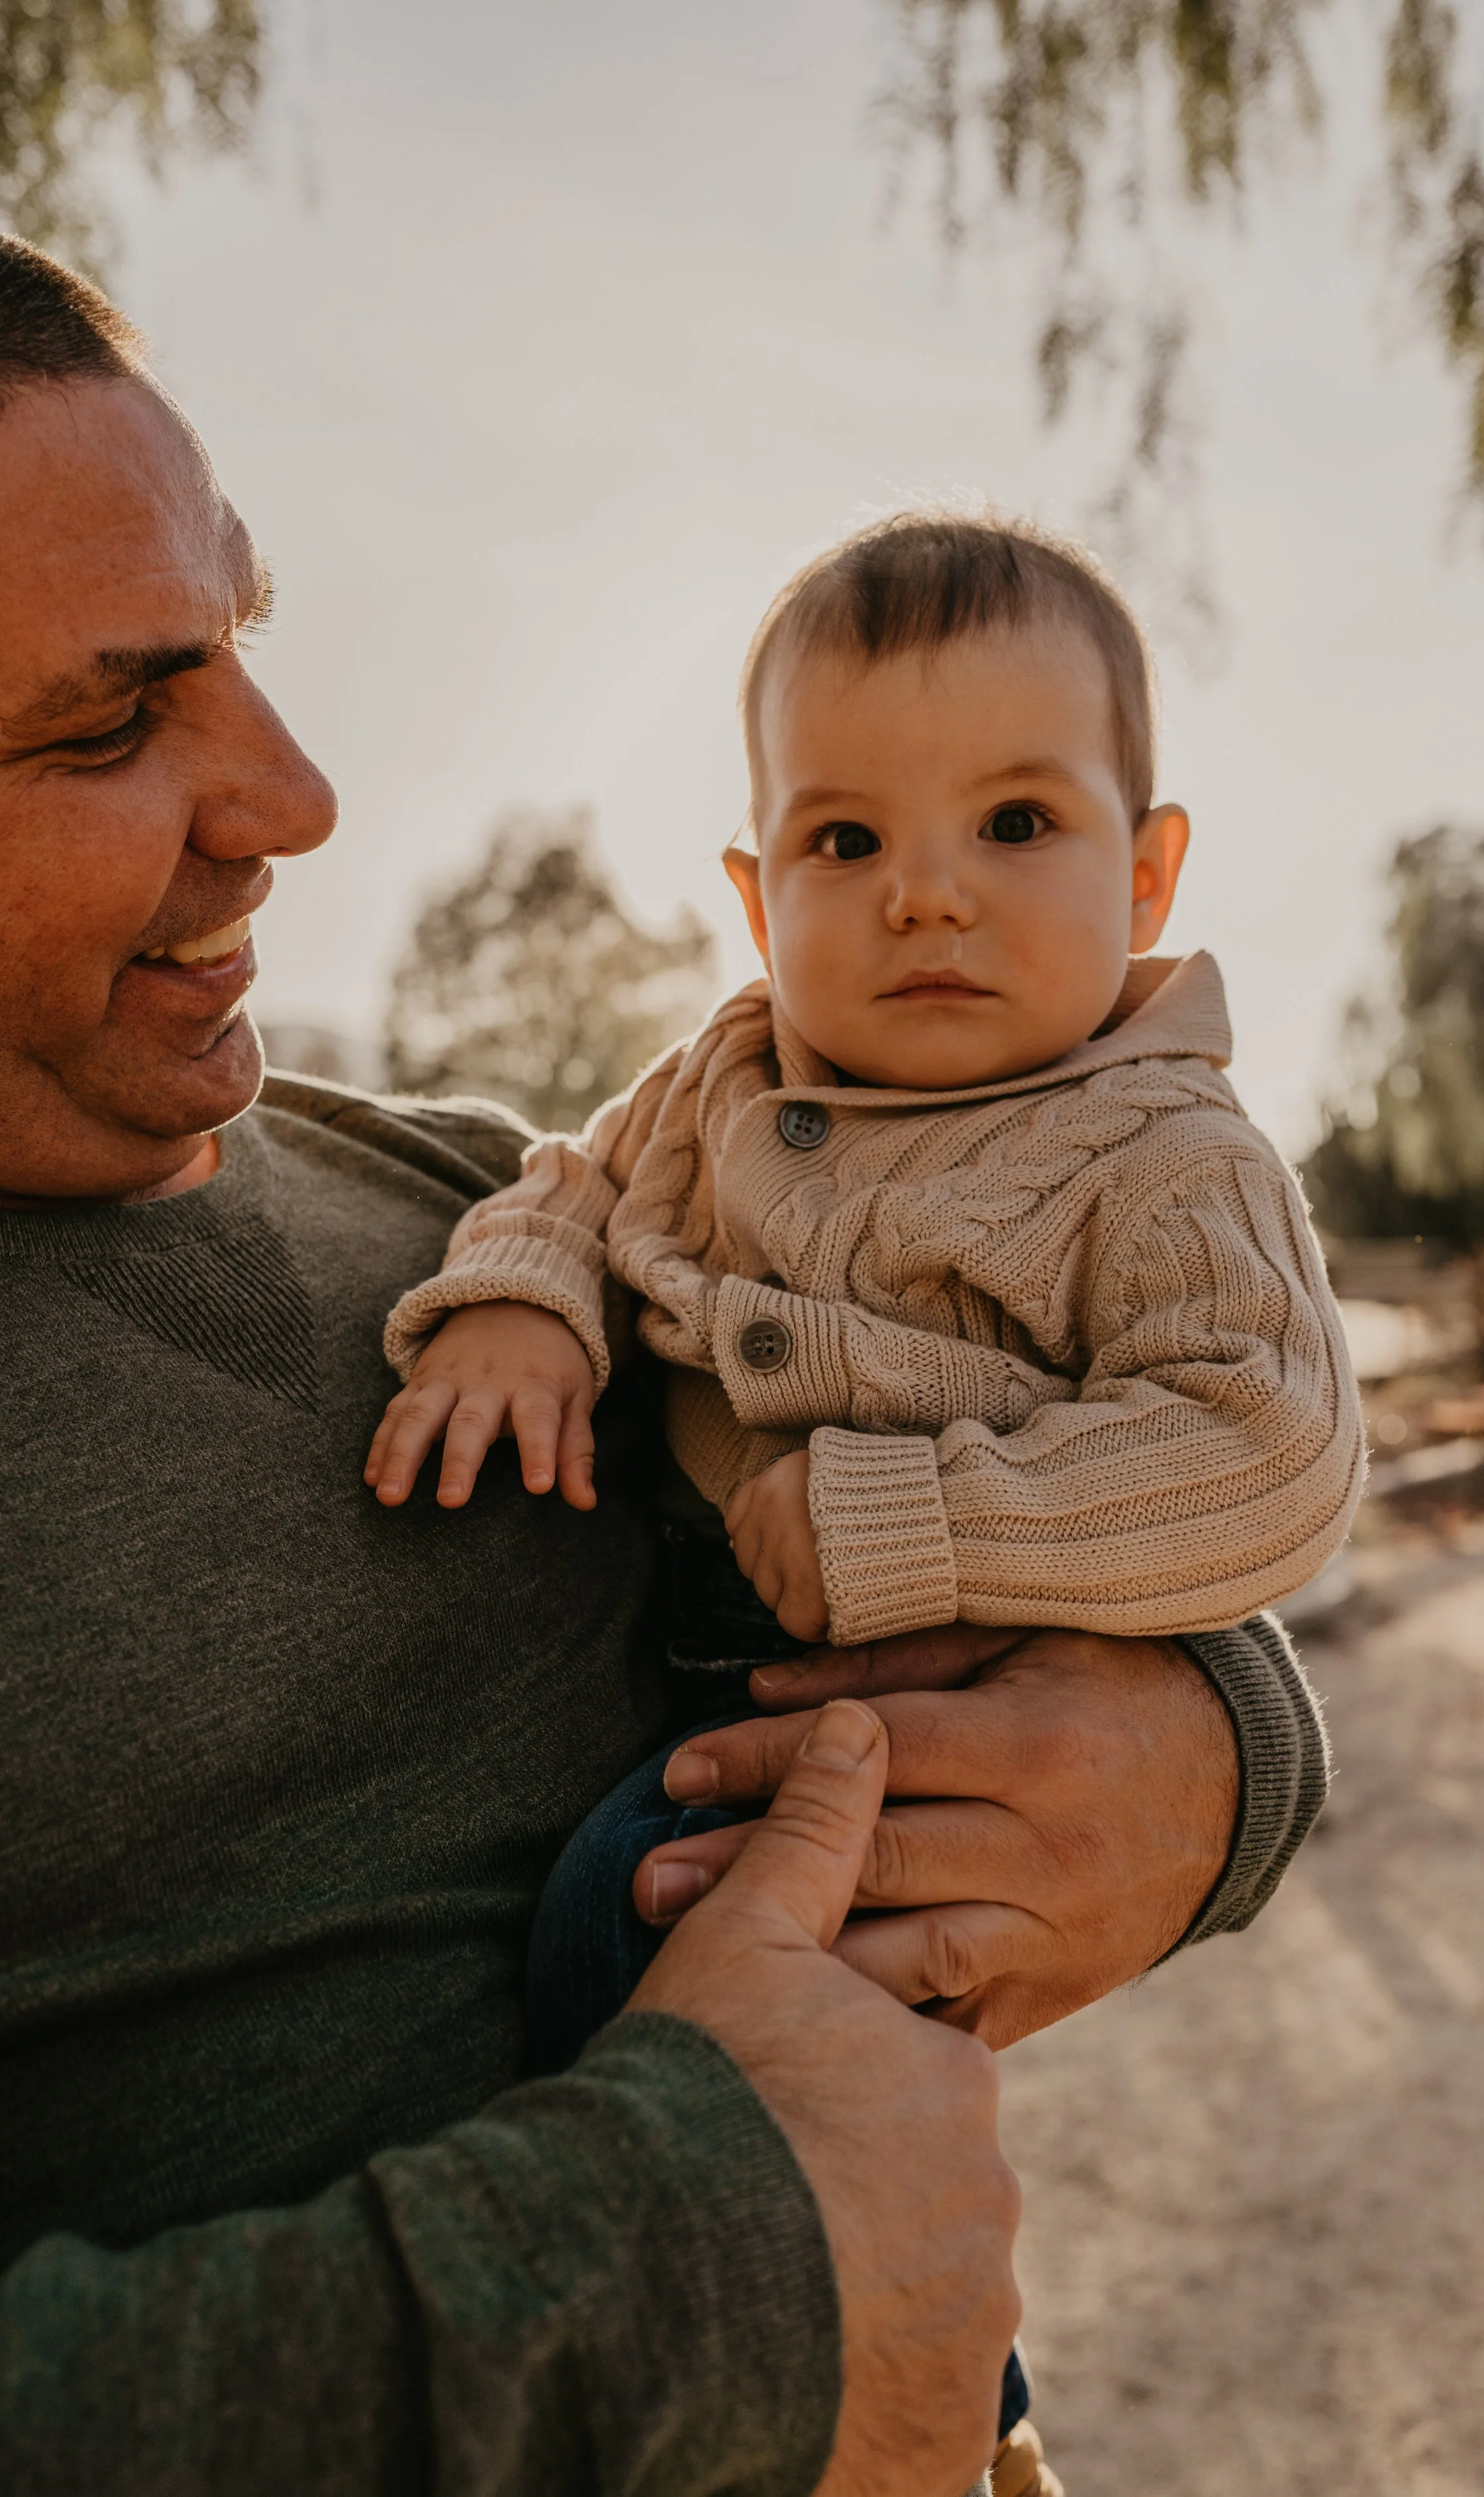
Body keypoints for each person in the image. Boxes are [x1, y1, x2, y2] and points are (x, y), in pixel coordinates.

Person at [0, 231, 1324, 2497]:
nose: (298, 796)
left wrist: (1213, 1747)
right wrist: (710, 2263)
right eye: (114, 719)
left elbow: (1218, 1463)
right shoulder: (700, 1113)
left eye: (246, 647)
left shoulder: (433, 1179)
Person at [370, 514, 1366, 2486]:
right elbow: (576, 1184)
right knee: (742, 2025)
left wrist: (917, 1520)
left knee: (647, 1945)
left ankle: (940, 2424)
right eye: (844, 841)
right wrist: (520, 1306)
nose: (925, 892)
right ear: (755, 897)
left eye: (1015, 822)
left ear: (1147, 871)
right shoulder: (721, 1078)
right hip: (704, 1666)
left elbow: (1266, 1448)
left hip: (921, 1698)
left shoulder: (1161, 1157)